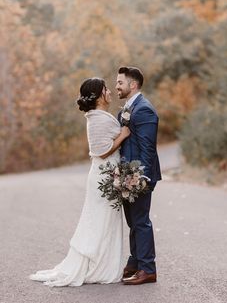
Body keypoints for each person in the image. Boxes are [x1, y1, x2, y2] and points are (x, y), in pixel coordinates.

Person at [29, 78, 130, 287]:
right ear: (99, 95)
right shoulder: (96, 118)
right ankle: (95, 266)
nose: (110, 92)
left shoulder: (100, 116)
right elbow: (101, 151)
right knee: (99, 221)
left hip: (108, 175)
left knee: (107, 221)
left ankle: (103, 264)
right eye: (106, 89)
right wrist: (123, 135)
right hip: (104, 176)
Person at [116, 66, 161, 285]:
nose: (116, 86)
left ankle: (148, 269)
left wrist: (141, 178)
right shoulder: (128, 108)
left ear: (132, 85)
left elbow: (147, 147)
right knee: (133, 221)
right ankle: (135, 263)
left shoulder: (144, 109)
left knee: (141, 221)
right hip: (127, 174)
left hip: (139, 176)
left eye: (120, 83)